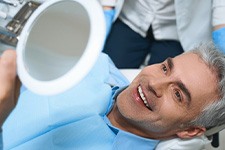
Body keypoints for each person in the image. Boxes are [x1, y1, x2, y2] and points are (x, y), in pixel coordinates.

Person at [0, 42, 225, 149]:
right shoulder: (94, 64)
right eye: (165, 68)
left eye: (177, 94)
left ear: (190, 130)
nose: (154, 83)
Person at [103, 0, 225, 68]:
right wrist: (106, 8)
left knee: (163, 92)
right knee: (108, 73)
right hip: (132, 16)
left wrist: (221, 25)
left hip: (175, 30)